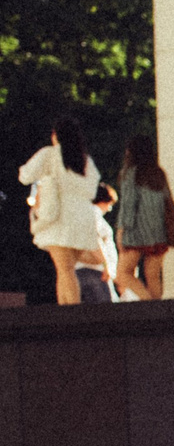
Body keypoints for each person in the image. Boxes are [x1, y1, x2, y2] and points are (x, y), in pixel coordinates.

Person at [21, 115, 104, 306]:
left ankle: (70, 314)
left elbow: (25, 175)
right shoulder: (85, 160)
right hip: (81, 220)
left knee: (65, 270)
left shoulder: (50, 154)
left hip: (58, 220)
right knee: (66, 269)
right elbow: (92, 189)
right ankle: (66, 310)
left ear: (56, 135)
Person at [113, 131, 174, 299]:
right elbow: (168, 201)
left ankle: (146, 302)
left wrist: (121, 232)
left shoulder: (131, 173)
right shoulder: (158, 173)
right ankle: (157, 312)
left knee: (123, 274)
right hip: (159, 232)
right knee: (153, 276)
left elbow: (128, 207)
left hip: (136, 233)